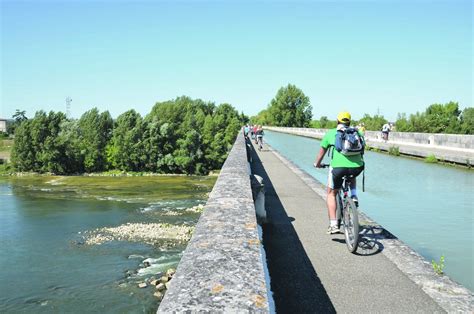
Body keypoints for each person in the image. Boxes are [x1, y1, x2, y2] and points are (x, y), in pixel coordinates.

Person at [313, 112, 365, 234]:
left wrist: (317, 163)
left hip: (338, 168)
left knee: (331, 193)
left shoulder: (331, 133)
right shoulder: (358, 133)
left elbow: (322, 152)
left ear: (337, 121)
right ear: (349, 122)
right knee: (352, 174)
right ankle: (353, 195)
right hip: (358, 167)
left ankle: (333, 224)